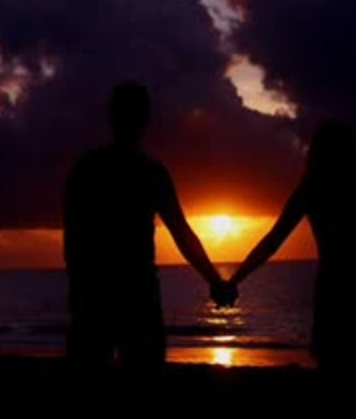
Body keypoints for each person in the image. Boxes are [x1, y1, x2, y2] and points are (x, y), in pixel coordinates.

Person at [216, 120, 356, 372]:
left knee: (335, 365)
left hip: (337, 289)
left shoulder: (312, 192)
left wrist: (234, 281)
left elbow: (273, 241)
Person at [62, 82, 231, 373]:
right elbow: (181, 232)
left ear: (111, 116)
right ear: (146, 119)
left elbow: (72, 242)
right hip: (135, 295)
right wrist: (215, 281)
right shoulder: (150, 173)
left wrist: (78, 291)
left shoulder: (86, 168)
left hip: (98, 293)